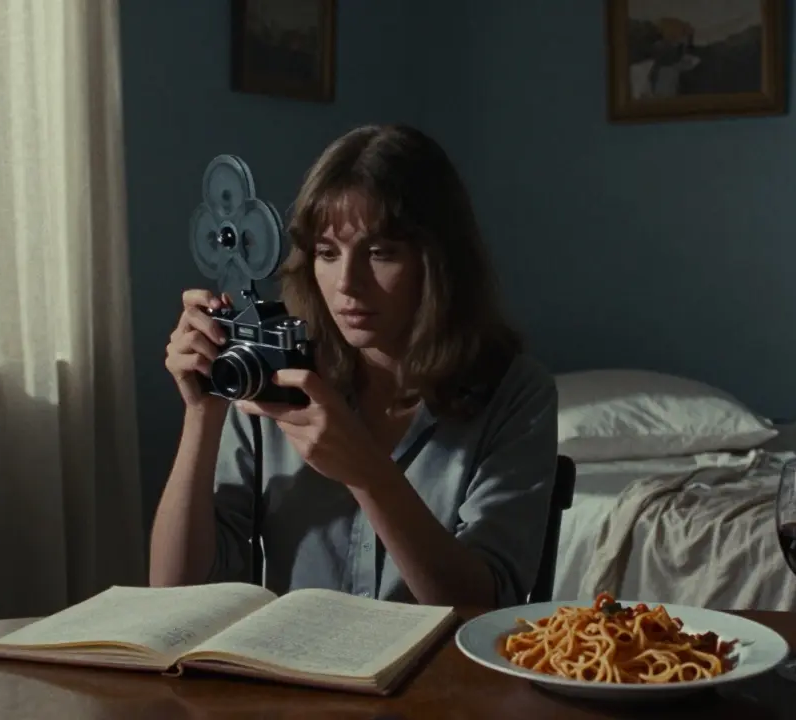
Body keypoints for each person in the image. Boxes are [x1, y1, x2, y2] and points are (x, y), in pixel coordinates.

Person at [150, 124, 558, 608]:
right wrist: (204, 410)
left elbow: (484, 610)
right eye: (327, 252)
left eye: (380, 253)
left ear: (438, 260)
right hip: (291, 673)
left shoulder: (516, 395)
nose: (347, 283)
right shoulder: (274, 376)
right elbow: (173, 594)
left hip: (439, 682)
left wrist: (367, 472)